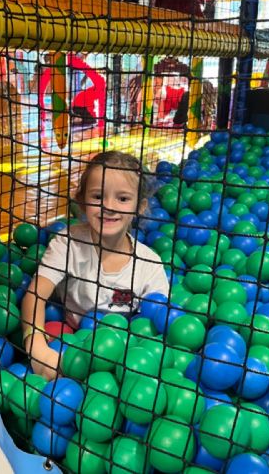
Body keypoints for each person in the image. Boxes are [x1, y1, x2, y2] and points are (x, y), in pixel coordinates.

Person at [21, 151, 170, 379]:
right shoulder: (68, 243)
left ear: (140, 207)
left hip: (124, 349)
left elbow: (158, 326)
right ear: (82, 201)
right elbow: (34, 296)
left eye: (122, 199)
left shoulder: (149, 265)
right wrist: (36, 347)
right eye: (98, 196)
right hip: (71, 336)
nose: (109, 206)